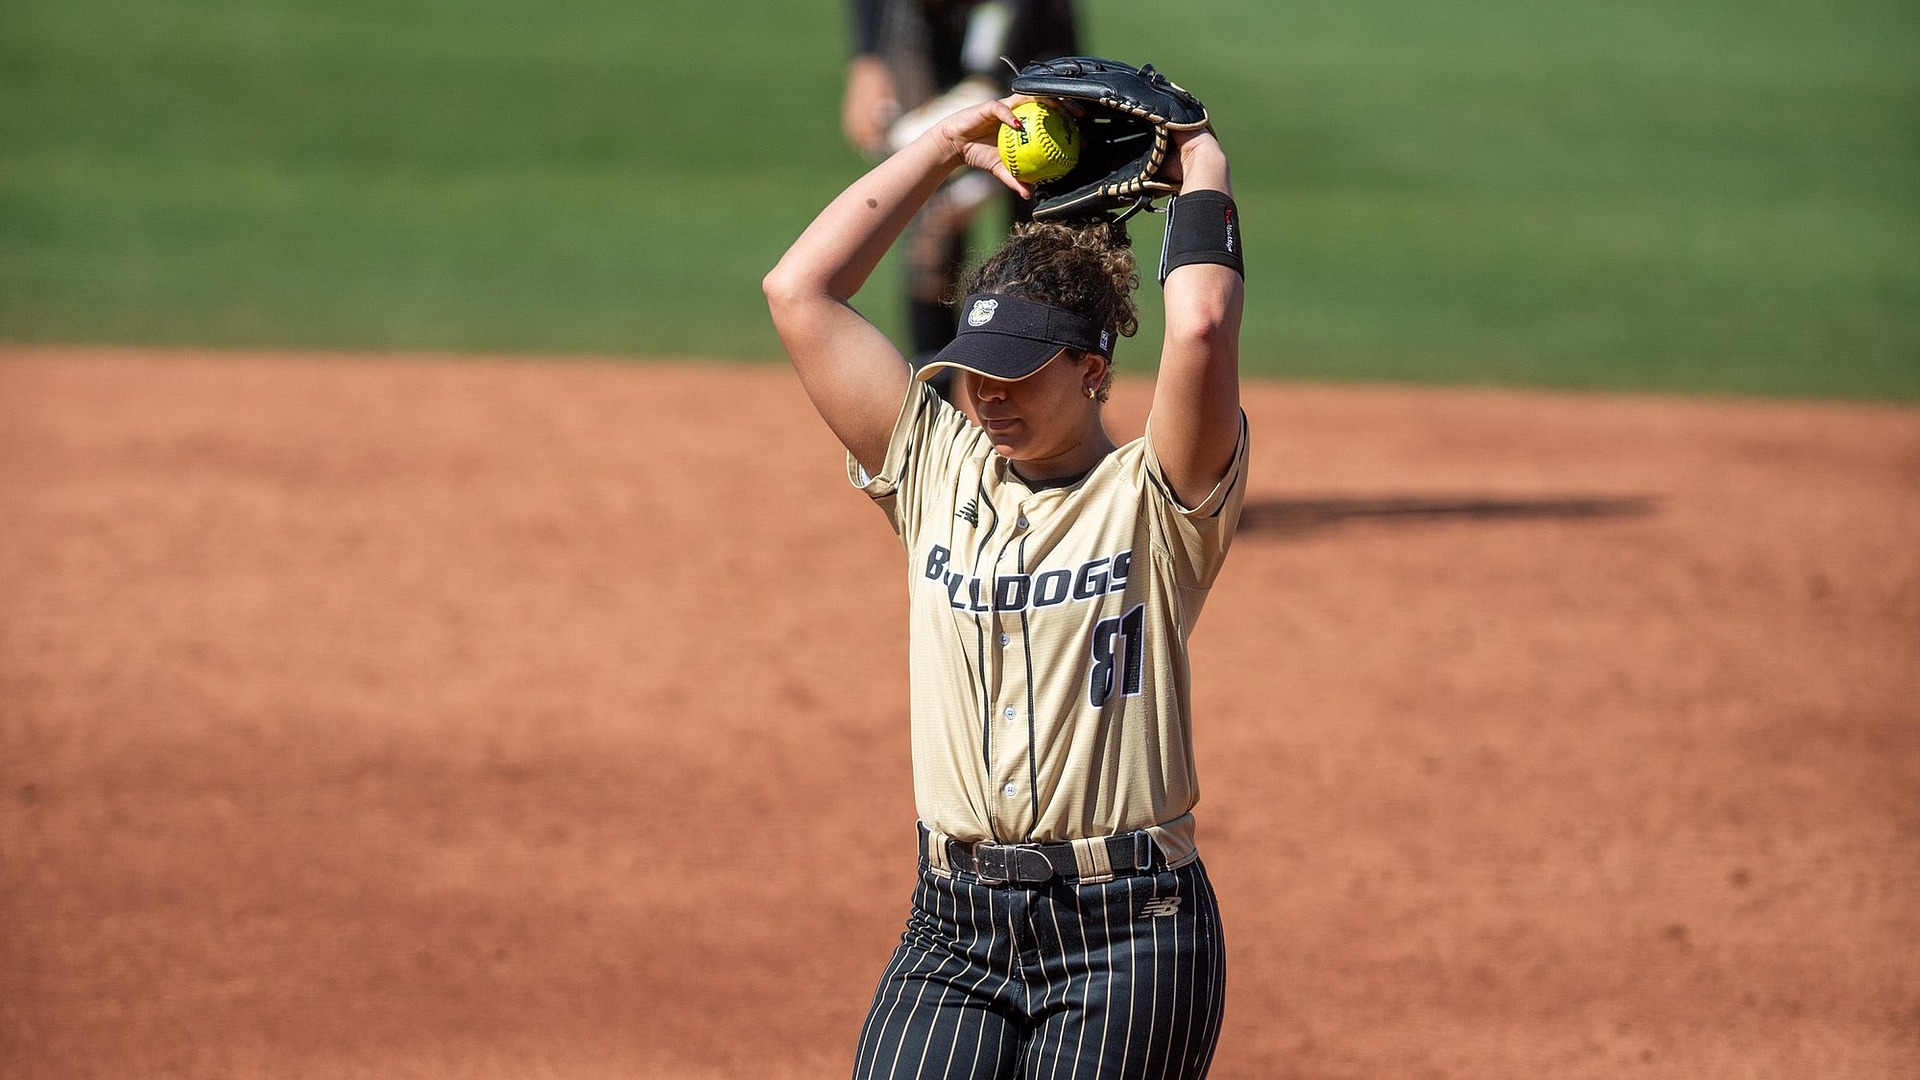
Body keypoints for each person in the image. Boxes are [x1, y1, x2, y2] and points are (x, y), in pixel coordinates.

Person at [764, 83, 1246, 1079]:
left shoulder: (1158, 499)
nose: (988, 394)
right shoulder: (936, 469)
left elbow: (1198, 326)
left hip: (1130, 939)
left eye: (1021, 370)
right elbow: (797, 291)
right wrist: (943, 149)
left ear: (1093, 369)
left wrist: (1202, 163)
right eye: (977, 366)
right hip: (953, 931)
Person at [840, 0, 1080, 367]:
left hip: (1030, 16)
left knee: (1046, 228)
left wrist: (975, 190)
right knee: (930, 231)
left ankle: (1059, 392)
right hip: (921, 14)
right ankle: (935, 397)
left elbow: (986, 87)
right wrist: (868, 59)